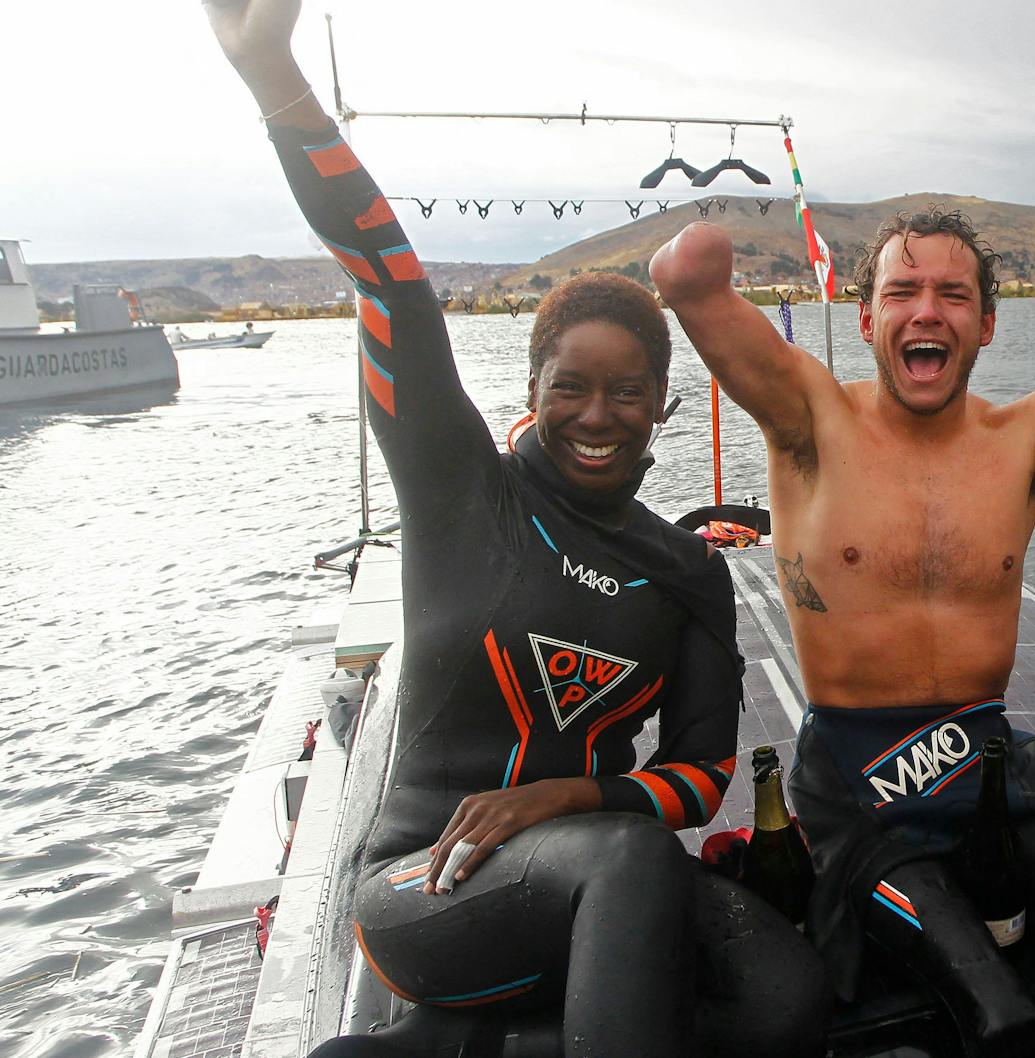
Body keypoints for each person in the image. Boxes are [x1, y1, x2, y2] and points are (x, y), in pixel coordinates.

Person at [201, 2, 827, 1056]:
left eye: (627, 391)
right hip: (424, 880)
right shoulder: (462, 491)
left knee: (787, 1000)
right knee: (628, 866)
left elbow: (697, 774)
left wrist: (566, 795)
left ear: (659, 404)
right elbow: (388, 278)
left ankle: (450, 1047)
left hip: (585, 864)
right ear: (531, 392)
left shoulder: (683, 571)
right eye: (570, 387)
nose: (597, 414)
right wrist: (274, 76)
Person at [651, 180, 1035, 1052]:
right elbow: (690, 286)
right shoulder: (811, 418)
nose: (928, 310)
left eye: (953, 294)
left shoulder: (1025, 436)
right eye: (902, 292)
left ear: (986, 325)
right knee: (1000, 1022)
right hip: (858, 777)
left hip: (993, 764)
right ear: (866, 320)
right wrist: (696, 265)